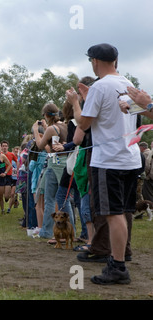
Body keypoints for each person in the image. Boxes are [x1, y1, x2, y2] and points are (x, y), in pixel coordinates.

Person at [66, 43, 141, 285]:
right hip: (129, 157)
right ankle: (120, 256)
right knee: (123, 211)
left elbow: (83, 124)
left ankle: (117, 266)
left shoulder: (100, 86)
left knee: (112, 213)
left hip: (108, 159)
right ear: (116, 61)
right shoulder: (128, 85)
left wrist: (77, 102)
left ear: (95, 61)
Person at [32, 103, 74, 243]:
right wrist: (46, 128)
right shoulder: (65, 125)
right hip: (63, 162)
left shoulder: (51, 128)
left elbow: (40, 145)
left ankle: (56, 232)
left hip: (56, 163)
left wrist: (35, 132)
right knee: (58, 197)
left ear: (46, 115)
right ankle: (59, 231)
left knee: (55, 199)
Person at [0, 141, 18, 214]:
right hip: (0, 175)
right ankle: (3, 209)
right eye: (3, 146)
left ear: (8, 147)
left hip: (9, 175)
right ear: (1, 147)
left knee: (7, 196)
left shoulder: (11, 154)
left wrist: (18, 169)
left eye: (6, 146)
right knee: (0, 193)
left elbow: (17, 161)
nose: (4, 147)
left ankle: (14, 200)